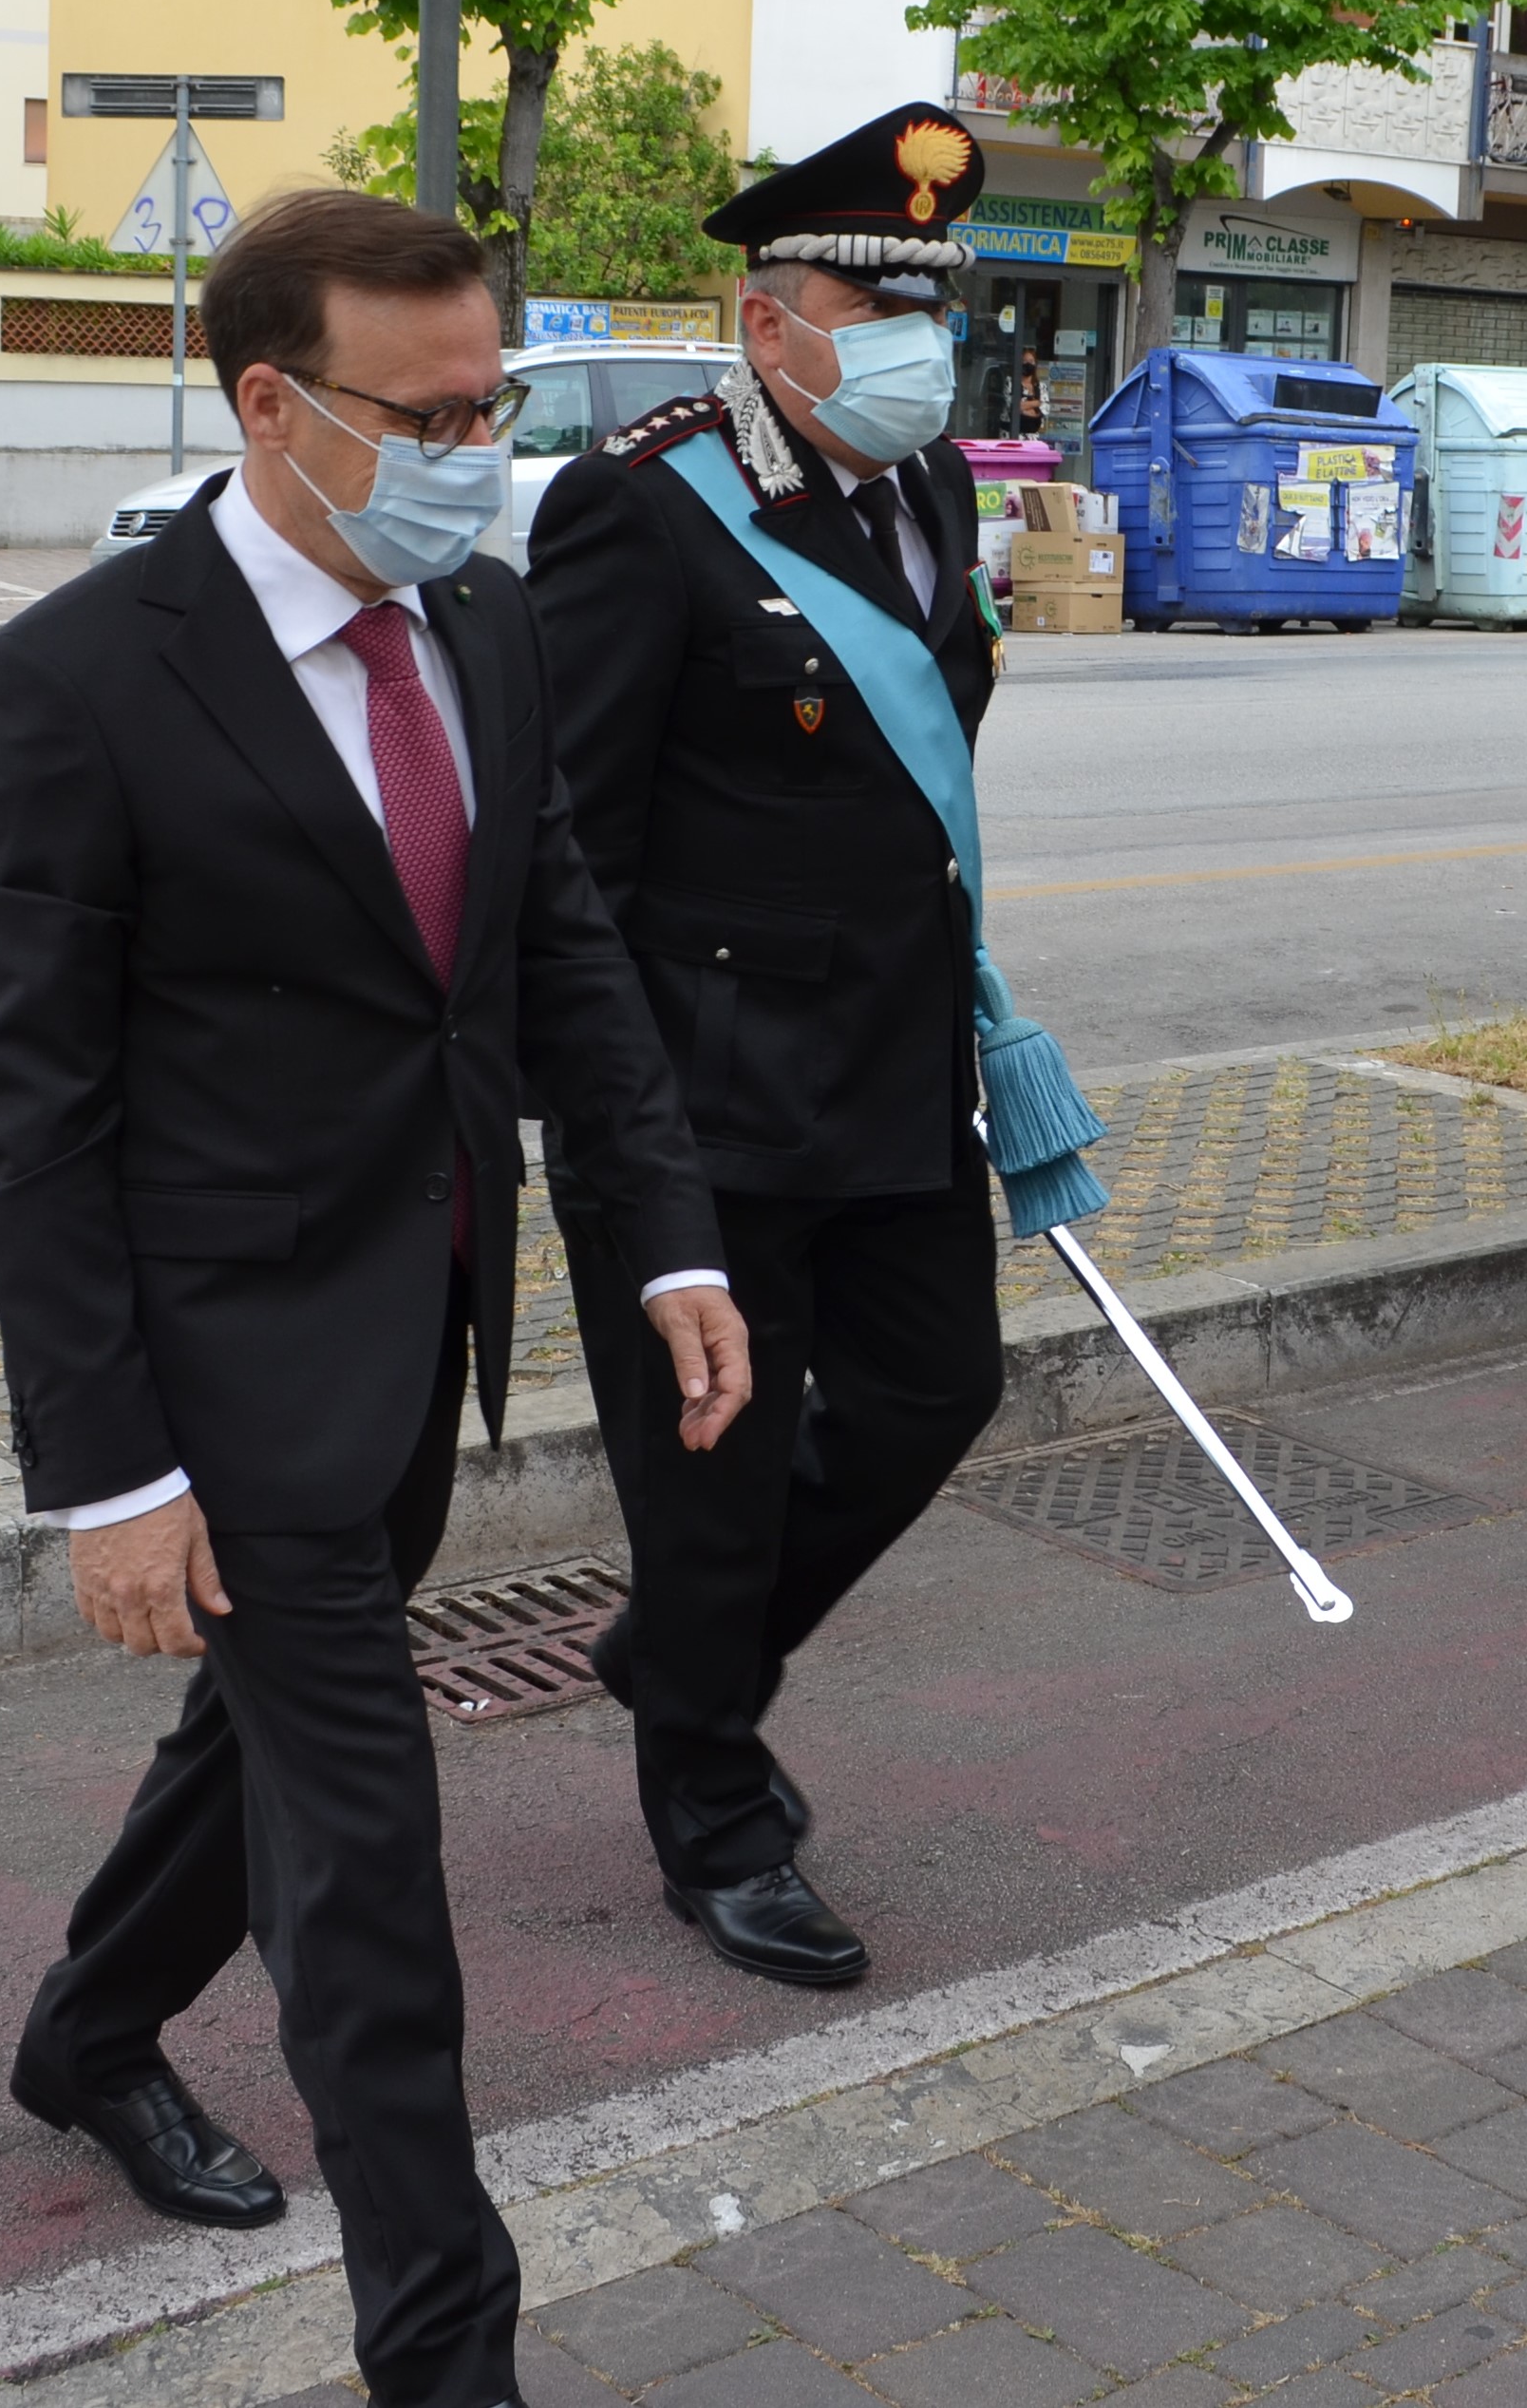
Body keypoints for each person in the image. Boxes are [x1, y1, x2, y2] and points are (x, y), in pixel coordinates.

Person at [0, 191, 746, 2405]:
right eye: (435, 413)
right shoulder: (73, 685)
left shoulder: (479, 627)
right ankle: (447, 2354)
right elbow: (24, 1117)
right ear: (271, 404)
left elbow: (559, 952)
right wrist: (108, 1467)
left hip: (421, 1335)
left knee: (263, 1752)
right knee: (369, 1880)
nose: (478, 448)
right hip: (217, 1372)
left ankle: (90, 2035)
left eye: (493, 401)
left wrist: (666, 1231)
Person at [527, 104, 1097, 1986]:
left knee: (935, 1392)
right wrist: (610, 1123)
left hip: (899, 1058)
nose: (921, 342)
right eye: (876, 301)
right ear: (772, 321)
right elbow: (569, 847)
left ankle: (682, 1650)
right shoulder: (640, 499)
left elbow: (912, 770)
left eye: (934, 305)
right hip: (708, 1095)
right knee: (715, 1466)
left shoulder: (920, 484)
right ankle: (715, 1807)